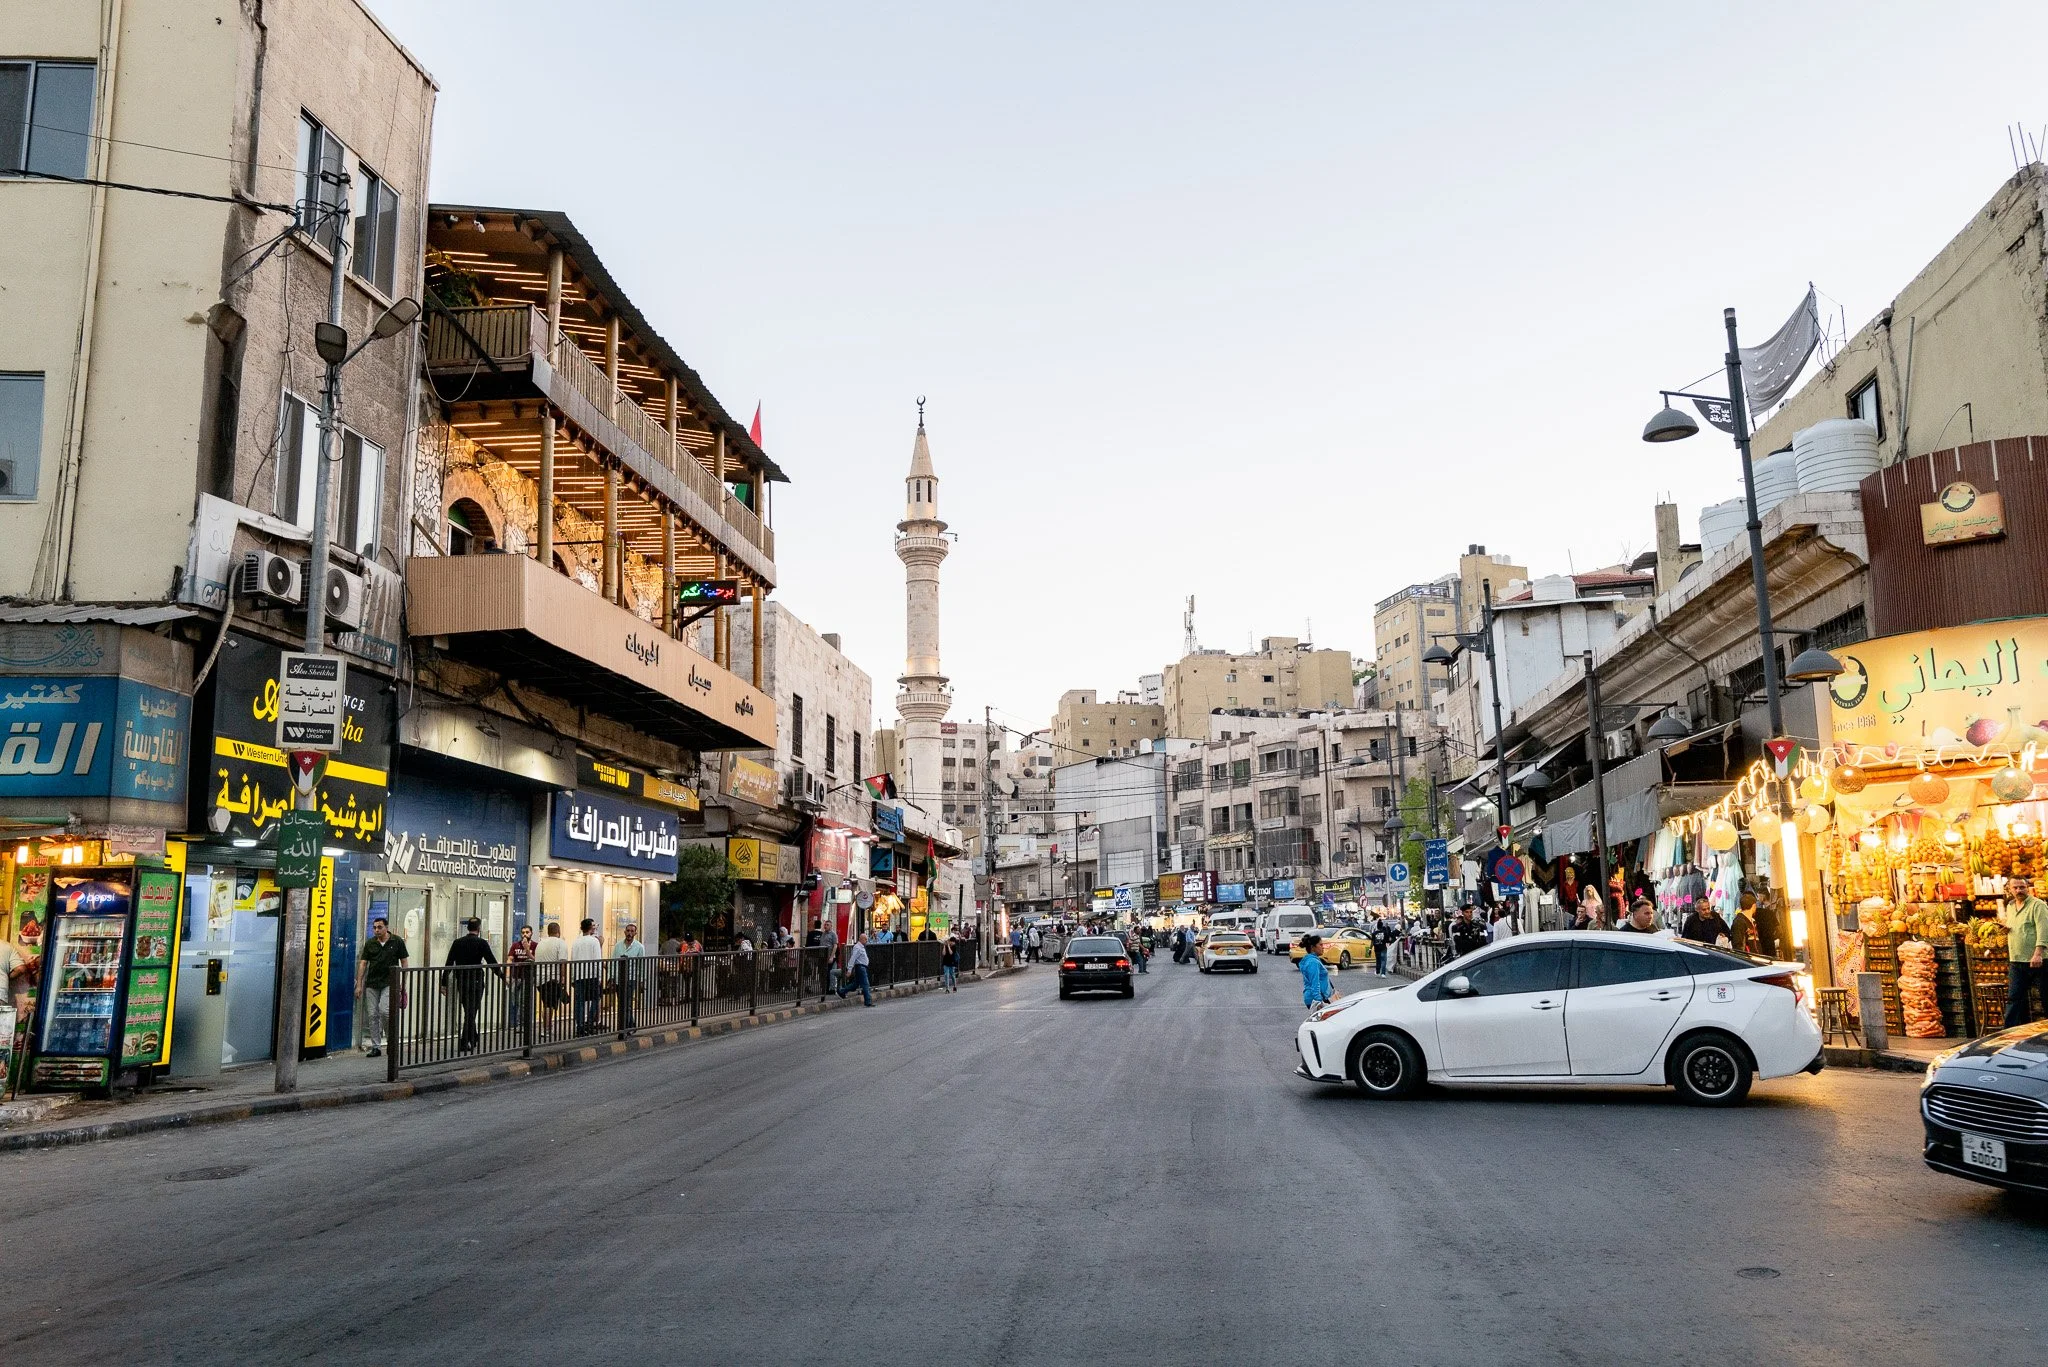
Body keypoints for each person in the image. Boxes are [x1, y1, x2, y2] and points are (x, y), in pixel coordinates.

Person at [354, 915, 408, 1057]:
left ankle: (391, 1042)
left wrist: (403, 983)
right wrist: (359, 984)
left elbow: (404, 962)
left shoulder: (397, 941)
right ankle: (376, 1047)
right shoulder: (371, 943)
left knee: (385, 1011)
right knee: (372, 1015)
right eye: (374, 928)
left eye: (379, 927)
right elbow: (363, 963)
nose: (376, 930)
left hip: (389, 982)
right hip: (372, 983)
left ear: (386, 928)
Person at [445, 917, 499, 1054]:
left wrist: (443, 982)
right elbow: (492, 961)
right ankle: (464, 1041)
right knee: (471, 1011)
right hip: (476, 980)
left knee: (469, 1010)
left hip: (462, 980)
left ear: (468, 928)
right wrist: (503, 977)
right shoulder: (481, 943)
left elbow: (449, 962)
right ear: (479, 929)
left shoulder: (457, 943)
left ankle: (473, 1037)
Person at [2002, 875, 2048, 1027]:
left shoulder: (2038, 905)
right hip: (2016, 960)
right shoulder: (2010, 906)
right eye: (2015, 887)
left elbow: (2044, 930)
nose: (2019, 890)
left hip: (2038, 960)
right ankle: (2007, 1034)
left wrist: (2038, 953)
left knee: (2046, 997)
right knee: (2014, 998)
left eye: (2022, 887)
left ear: (2027, 887)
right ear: (2010, 889)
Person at [570, 918, 603, 1034]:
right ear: (590, 927)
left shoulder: (576, 941)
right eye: (594, 925)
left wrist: (573, 977)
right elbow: (597, 959)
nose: (595, 927)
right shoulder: (594, 941)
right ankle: (588, 1022)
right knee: (596, 998)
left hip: (579, 975)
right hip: (591, 975)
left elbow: (573, 960)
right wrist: (599, 977)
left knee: (579, 1002)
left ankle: (579, 1027)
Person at [505, 923, 538, 1033]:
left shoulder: (535, 945)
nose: (525, 934)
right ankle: (514, 1023)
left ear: (531, 933)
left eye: (527, 932)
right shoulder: (515, 945)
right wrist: (508, 976)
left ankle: (522, 1025)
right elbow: (509, 959)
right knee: (515, 1001)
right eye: (523, 932)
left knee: (524, 1001)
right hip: (516, 976)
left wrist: (527, 949)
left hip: (527, 978)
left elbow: (535, 959)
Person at [615, 922, 648, 1030]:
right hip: (619, 979)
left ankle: (626, 1027)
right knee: (622, 1003)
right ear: (625, 932)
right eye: (628, 931)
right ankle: (630, 1024)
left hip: (631, 979)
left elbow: (641, 965)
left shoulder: (639, 947)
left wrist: (642, 980)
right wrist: (611, 977)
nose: (629, 933)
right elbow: (613, 962)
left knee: (627, 1003)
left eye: (632, 931)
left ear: (635, 933)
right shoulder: (618, 945)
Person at [535, 922, 570, 1024]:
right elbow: (563, 962)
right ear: (558, 931)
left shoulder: (540, 943)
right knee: (550, 1005)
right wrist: (563, 978)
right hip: (552, 979)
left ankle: (546, 1026)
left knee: (546, 1003)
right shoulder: (560, 943)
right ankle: (546, 1029)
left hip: (539, 979)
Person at [1298, 934, 1336, 1010]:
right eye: (1320, 945)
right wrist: (1318, 1002)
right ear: (1313, 947)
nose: (1323, 947)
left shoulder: (1313, 960)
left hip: (1319, 997)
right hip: (1317, 999)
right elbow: (1314, 983)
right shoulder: (1313, 962)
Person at [839, 933, 874, 1007]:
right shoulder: (858, 947)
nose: (867, 941)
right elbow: (853, 958)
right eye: (865, 939)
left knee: (855, 984)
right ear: (862, 939)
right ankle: (868, 1001)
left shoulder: (861, 947)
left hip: (862, 967)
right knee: (865, 984)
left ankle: (842, 991)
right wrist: (849, 969)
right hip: (861, 967)